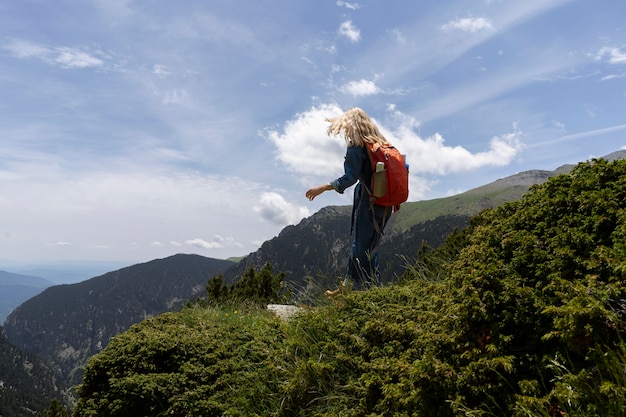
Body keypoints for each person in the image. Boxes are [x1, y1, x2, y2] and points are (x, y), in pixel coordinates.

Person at [305, 107, 392, 293]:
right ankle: (365, 288)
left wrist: (323, 187)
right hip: (386, 202)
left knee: (360, 245)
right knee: (372, 245)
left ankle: (355, 289)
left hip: (368, 200)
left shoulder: (357, 145)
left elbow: (349, 178)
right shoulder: (380, 144)